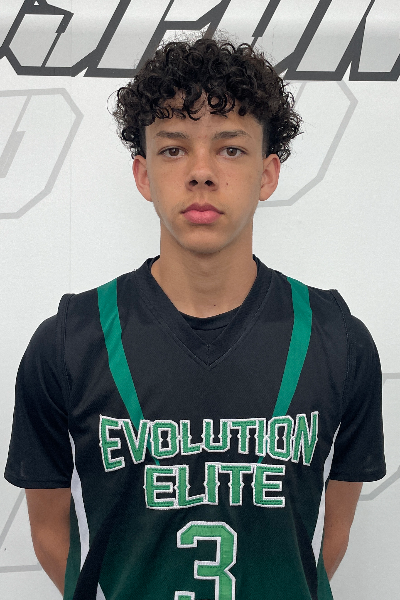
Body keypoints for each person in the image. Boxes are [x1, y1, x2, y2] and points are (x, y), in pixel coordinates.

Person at [4, 37, 386, 600]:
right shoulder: (69, 341)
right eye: (173, 149)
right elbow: (48, 531)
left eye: (230, 149)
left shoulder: (338, 340)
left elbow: (332, 538)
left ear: (267, 174)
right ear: (143, 175)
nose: (201, 172)